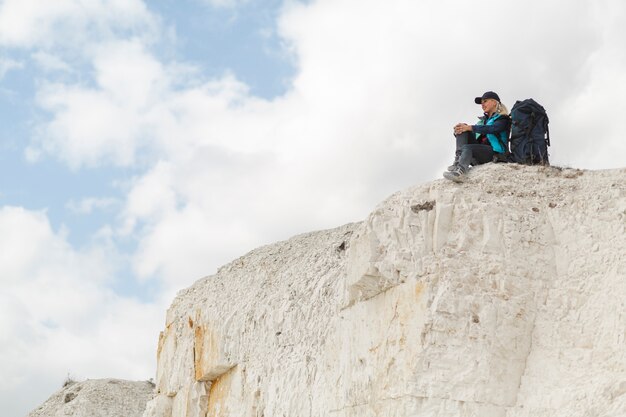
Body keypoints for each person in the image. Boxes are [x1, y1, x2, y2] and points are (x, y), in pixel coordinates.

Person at [444, 91, 511, 182]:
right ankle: (458, 161)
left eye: (485, 101)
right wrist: (460, 130)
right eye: (481, 103)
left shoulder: (503, 118)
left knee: (468, 146)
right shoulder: (484, 121)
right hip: (481, 154)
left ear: (494, 102)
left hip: (496, 154)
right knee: (464, 128)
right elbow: (474, 132)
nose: (482, 105)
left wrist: (470, 127)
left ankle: (460, 172)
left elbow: (493, 129)